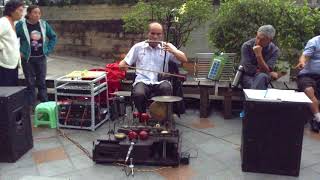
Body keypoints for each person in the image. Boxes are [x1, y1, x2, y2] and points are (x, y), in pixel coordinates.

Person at [119, 22, 188, 113]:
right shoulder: (138, 47)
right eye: (152, 33)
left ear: (162, 35)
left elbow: (184, 59)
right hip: (142, 81)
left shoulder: (167, 47)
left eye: (158, 34)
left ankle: (163, 116)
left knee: (166, 88)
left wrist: (173, 50)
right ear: (147, 33)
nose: (155, 37)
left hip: (161, 81)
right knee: (139, 93)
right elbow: (124, 64)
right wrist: (123, 65)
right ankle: (142, 115)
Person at [16, 5, 57, 105]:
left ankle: (45, 104)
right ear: (29, 14)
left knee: (42, 82)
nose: (37, 15)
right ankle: (32, 106)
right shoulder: (21, 25)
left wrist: (47, 50)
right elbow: (12, 38)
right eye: (35, 12)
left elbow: (53, 37)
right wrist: (18, 52)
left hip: (41, 58)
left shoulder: (43, 24)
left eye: (39, 13)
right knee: (30, 83)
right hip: (27, 59)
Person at [240, 25, 280, 89]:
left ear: (270, 40)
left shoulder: (274, 50)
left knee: (262, 77)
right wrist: (267, 72)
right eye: (257, 37)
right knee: (260, 81)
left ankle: (253, 97)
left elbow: (268, 69)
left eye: (262, 40)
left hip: (263, 77)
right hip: (247, 76)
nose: (258, 41)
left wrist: (259, 55)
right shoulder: (247, 46)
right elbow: (248, 70)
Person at [296, 35, 320, 133]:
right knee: (309, 90)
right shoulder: (314, 41)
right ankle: (318, 118)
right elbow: (304, 56)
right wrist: (302, 62)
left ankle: (314, 119)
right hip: (308, 75)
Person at [0, 0, 24, 86]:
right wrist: (3, 48)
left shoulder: (13, 23)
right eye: (20, 10)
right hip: (3, 66)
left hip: (12, 65)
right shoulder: (3, 22)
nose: (22, 13)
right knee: (6, 93)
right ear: (11, 10)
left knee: (12, 92)